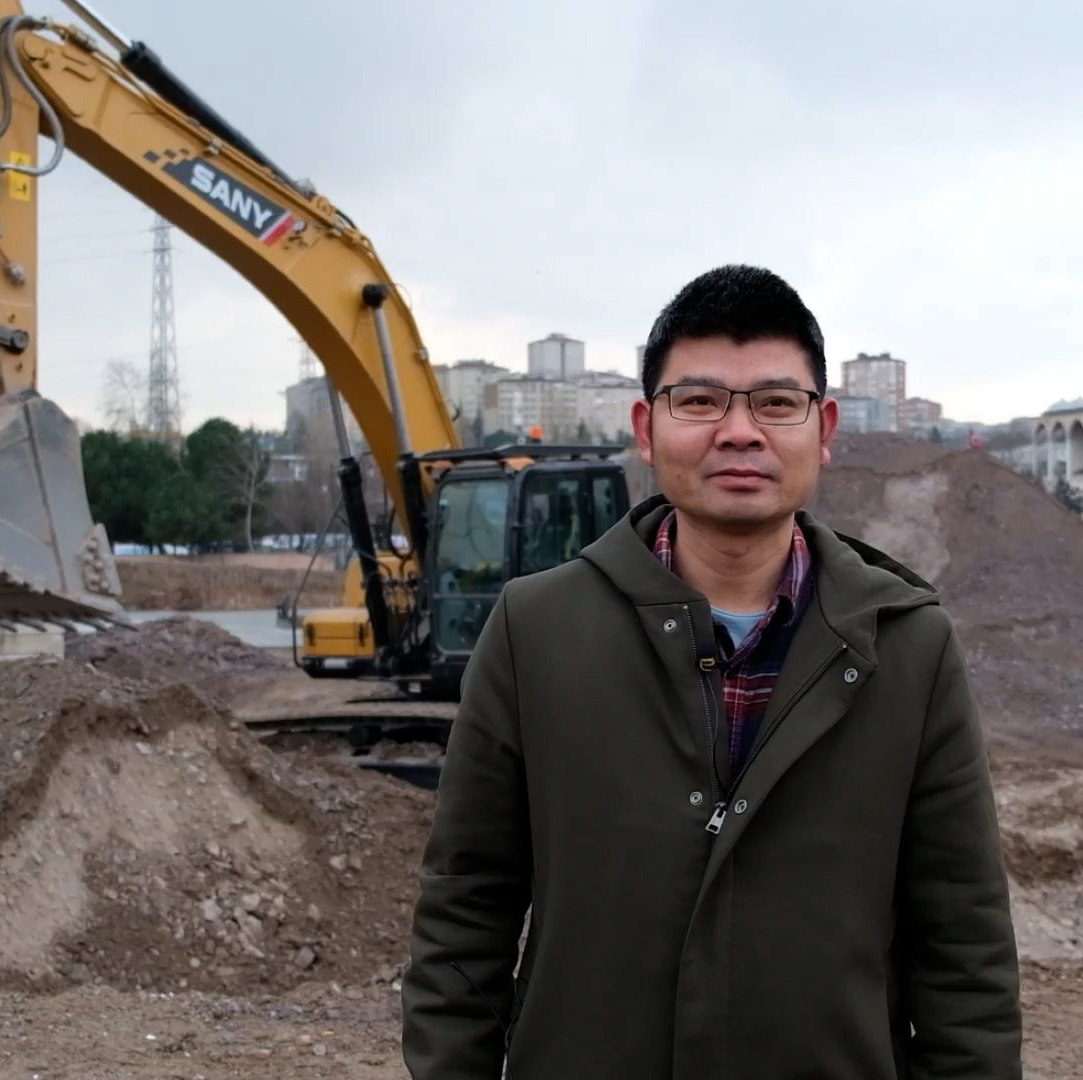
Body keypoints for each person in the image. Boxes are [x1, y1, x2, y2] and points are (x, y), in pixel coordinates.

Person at [401, 265, 1022, 1078]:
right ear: (646, 427)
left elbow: (963, 951)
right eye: (698, 402)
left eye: (775, 402)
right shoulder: (535, 632)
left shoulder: (907, 648)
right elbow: (464, 917)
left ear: (824, 426)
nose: (738, 432)